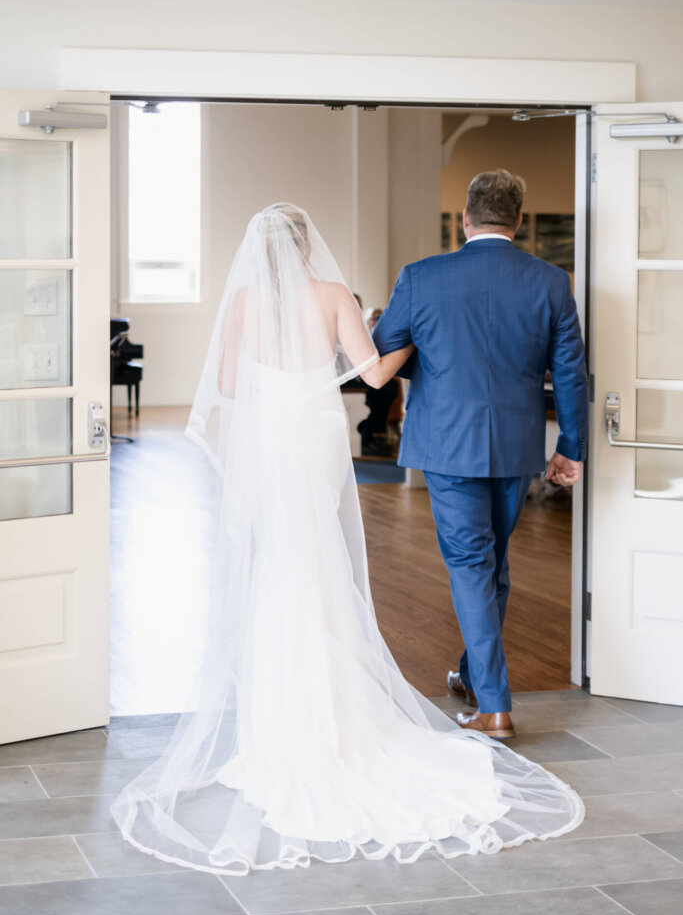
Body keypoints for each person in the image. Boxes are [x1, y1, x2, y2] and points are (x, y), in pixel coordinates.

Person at [109, 201, 583, 876]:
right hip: (312, 430)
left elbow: (223, 384)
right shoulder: (331, 294)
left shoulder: (241, 300)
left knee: (277, 557)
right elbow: (374, 376)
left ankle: (279, 711)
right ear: (306, 247)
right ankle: (345, 703)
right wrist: (401, 337)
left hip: (269, 434)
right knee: (321, 553)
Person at [373, 170, 589, 739]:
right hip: (518, 446)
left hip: (446, 442)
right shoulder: (551, 282)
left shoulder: (421, 278)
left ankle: (494, 706)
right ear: (517, 222)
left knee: (472, 564)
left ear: (465, 219)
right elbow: (569, 374)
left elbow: (381, 359)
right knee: (492, 565)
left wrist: (431, 361)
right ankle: (473, 675)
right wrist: (570, 446)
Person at [358, 306, 400, 456]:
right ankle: (368, 432)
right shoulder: (361, 332)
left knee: (390, 386)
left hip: (371, 376)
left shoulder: (383, 335)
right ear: (369, 321)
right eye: (376, 318)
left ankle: (374, 431)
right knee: (383, 388)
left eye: (382, 318)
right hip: (357, 376)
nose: (380, 321)